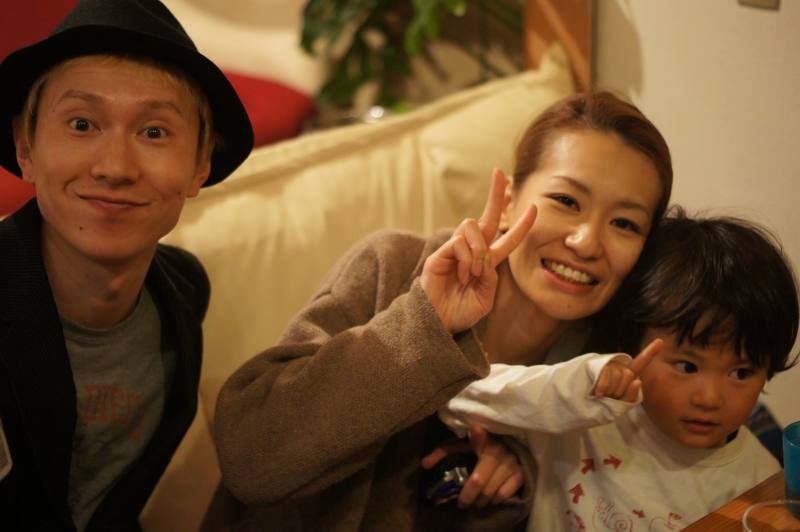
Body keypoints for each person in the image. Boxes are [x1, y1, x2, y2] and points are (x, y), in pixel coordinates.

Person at [213, 90, 673, 530]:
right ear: (508, 201)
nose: (587, 242)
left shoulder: (601, 378)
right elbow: (251, 457)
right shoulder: (394, 267)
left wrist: (507, 482)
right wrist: (422, 323)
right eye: (566, 201)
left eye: (625, 224)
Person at [0, 0, 253, 530]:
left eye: (154, 132)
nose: (115, 167)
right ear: (26, 148)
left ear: (200, 165)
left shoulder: (183, 290)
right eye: (82, 124)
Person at [439, 209, 799, 531]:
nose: (710, 398)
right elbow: (453, 392)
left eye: (741, 373)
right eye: (687, 366)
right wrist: (578, 385)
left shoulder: (763, 482)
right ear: (633, 341)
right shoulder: (579, 415)